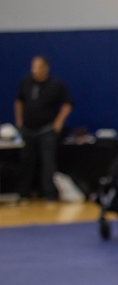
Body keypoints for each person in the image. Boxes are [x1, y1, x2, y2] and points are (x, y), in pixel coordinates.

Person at [13, 55, 72, 201]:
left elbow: (67, 103)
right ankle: (24, 192)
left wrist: (58, 122)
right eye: (33, 66)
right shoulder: (26, 82)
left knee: (48, 162)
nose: (34, 70)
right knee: (27, 161)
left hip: (46, 130)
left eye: (38, 67)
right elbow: (18, 101)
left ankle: (49, 194)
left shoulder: (55, 84)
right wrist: (19, 121)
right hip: (28, 129)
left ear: (46, 68)